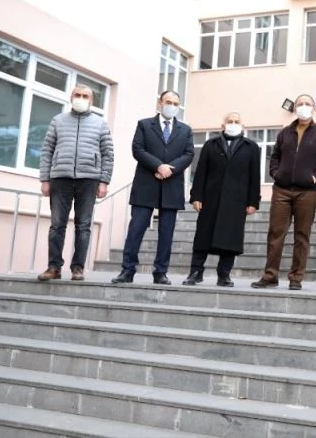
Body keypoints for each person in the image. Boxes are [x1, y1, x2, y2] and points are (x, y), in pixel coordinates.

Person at [251, 94, 316, 290]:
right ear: (295, 108)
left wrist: (315, 177)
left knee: (302, 235)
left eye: (307, 103)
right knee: (275, 233)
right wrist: (275, 174)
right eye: (300, 104)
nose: (303, 106)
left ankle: (296, 278)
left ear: (314, 107)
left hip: (308, 192)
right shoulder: (284, 133)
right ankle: (270, 276)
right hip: (282, 190)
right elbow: (274, 157)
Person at [111, 91, 194, 285]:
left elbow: (189, 154)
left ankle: (160, 272)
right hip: (146, 184)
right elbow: (137, 149)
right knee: (136, 229)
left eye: (175, 103)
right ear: (160, 103)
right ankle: (127, 270)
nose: (171, 106)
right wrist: (158, 166)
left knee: (166, 233)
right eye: (168, 102)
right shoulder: (144, 124)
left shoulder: (185, 130)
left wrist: (169, 169)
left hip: (171, 186)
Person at [37, 84, 114, 282]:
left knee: (84, 226)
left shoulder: (100, 124)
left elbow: (108, 155)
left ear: (91, 100)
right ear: (71, 98)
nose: (81, 98)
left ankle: (78, 268)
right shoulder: (58, 120)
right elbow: (47, 151)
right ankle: (54, 267)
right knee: (57, 225)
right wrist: (45, 179)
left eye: (85, 96)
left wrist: (104, 181)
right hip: (60, 178)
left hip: (89, 179)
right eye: (77, 95)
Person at [183, 111, 260, 287]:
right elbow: (201, 172)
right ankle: (195, 272)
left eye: (237, 121)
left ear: (242, 126)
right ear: (223, 125)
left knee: (230, 239)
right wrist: (196, 196)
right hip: (211, 198)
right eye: (230, 121)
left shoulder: (251, 147)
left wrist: (253, 202)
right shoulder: (210, 145)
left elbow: (254, 177)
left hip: (237, 201)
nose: (233, 124)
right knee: (202, 237)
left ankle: (224, 275)